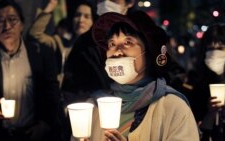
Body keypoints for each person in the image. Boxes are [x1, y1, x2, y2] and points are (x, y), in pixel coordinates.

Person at [86, 11, 200, 141]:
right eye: (111, 44)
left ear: (148, 51)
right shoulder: (93, 108)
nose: (117, 52)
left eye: (128, 42)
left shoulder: (173, 108)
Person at [0, 1, 65, 141]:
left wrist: (45, 125)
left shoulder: (41, 54)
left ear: (22, 24)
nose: (7, 26)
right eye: (0, 21)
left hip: (35, 134)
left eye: (12, 20)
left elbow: (52, 94)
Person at [62, 0, 136, 105]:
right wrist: (90, 97)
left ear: (130, 3)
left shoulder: (144, 40)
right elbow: (71, 89)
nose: (106, 2)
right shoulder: (84, 43)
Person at [189, 23, 225, 141]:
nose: (214, 54)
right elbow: (197, 134)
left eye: (220, 48)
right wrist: (211, 112)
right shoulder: (199, 86)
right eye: (210, 49)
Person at [28, 0, 97, 86]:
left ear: (93, 22)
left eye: (86, 16)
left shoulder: (98, 48)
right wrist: (51, 6)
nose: (80, 20)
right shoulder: (60, 43)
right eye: (77, 15)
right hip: (64, 96)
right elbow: (35, 34)